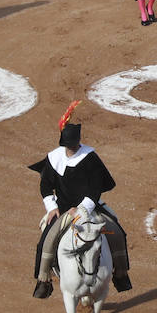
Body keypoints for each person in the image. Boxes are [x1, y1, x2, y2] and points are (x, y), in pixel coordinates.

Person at [29, 102, 131, 299]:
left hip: (90, 208)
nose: (72, 148)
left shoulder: (90, 158)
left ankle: (120, 274)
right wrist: (51, 207)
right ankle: (43, 279)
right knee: (46, 241)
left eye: (74, 144)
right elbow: (45, 185)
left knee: (117, 233)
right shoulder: (54, 158)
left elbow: (95, 188)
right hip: (63, 210)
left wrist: (83, 209)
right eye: (68, 145)